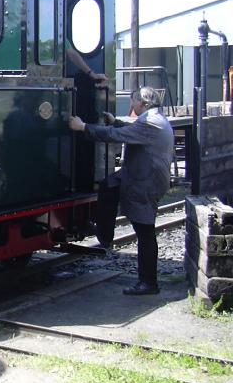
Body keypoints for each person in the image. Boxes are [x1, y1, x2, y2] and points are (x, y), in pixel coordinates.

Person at [68, 86, 174, 295]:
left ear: (143, 103)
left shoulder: (150, 123)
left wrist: (83, 127)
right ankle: (104, 235)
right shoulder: (153, 119)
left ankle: (148, 283)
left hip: (145, 182)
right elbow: (132, 129)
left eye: (133, 101)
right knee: (108, 185)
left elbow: (116, 136)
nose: (131, 105)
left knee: (144, 232)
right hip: (140, 175)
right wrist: (115, 121)